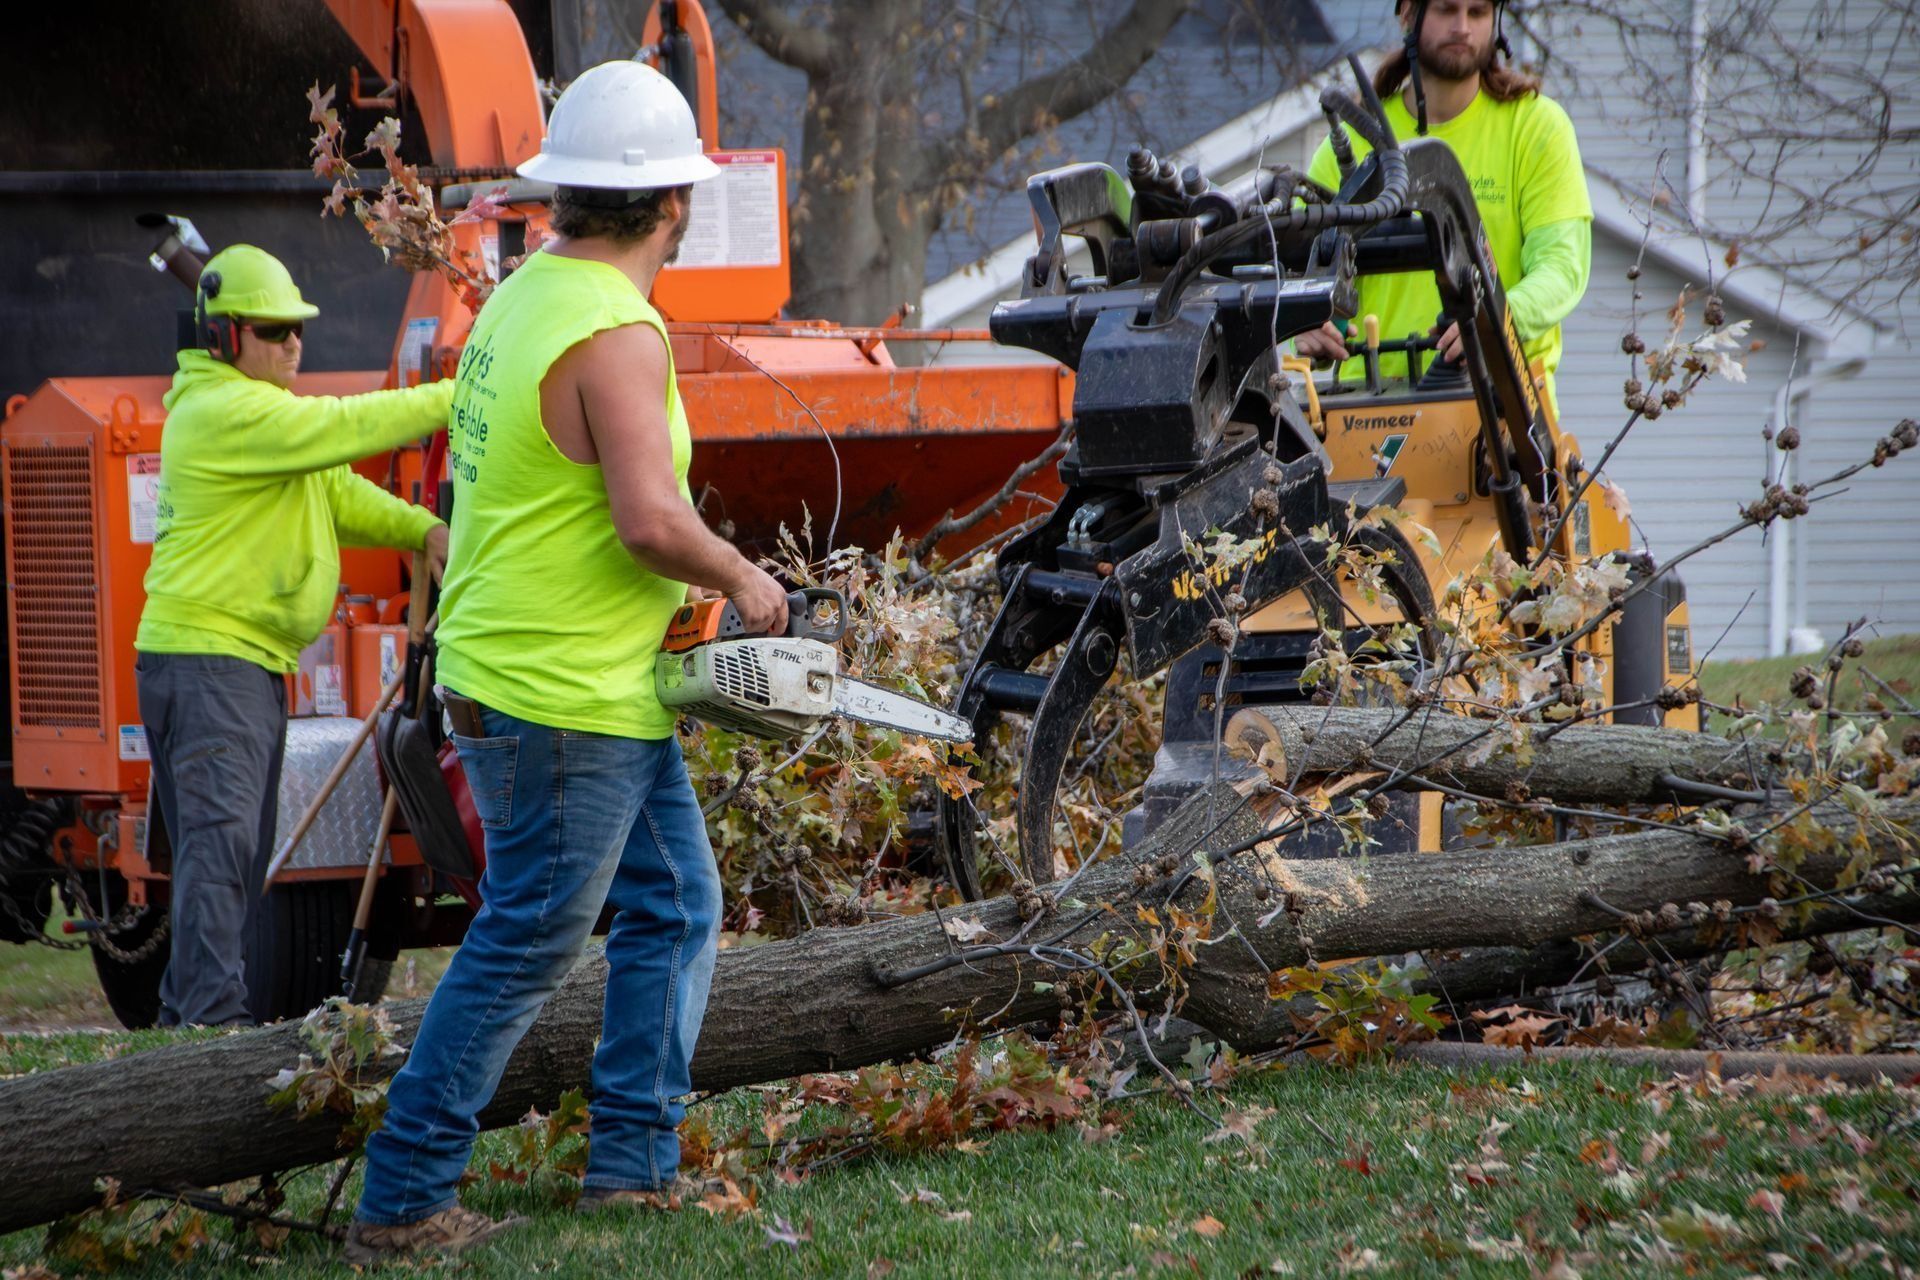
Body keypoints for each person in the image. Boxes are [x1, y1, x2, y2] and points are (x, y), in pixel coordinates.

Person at [345, 61, 788, 1265]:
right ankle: (400, 1198)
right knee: (533, 935)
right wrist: (743, 577)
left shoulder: (525, 293)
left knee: (678, 902)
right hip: (559, 698)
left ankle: (633, 1170)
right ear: (675, 208)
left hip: (565, 681)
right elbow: (650, 518)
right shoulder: (615, 330)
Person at [135, 244, 451, 1028]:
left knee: (234, 851)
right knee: (222, 847)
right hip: (211, 660)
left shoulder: (263, 421)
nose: (293, 345)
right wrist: (461, 394)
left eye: (298, 330)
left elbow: (338, 493)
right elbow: (351, 426)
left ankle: (189, 1014)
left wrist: (423, 529)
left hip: (233, 663)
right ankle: (209, 1021)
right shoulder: (224, 411)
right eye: (275, 331)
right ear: (227, 335)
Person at [1296, 0, 1592, 412]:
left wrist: (1494, 320)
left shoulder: (1536, 127)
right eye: (1446, 9)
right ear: (1408, 15)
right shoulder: (1352, 140)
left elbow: (1562, 268)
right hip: (1367, 412)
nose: (1462, 27)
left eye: (1477, 12)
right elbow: (1307, 271)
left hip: (1500, 413)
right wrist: (1311, 321)